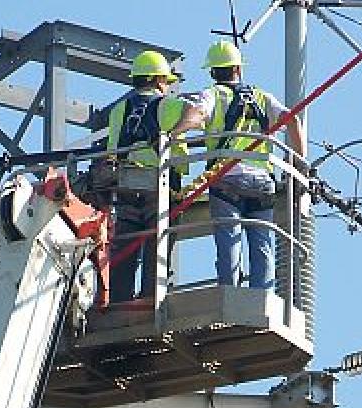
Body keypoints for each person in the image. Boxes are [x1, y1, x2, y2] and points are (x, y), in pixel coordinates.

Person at [169, 41, 307, 290]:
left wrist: (174, 133)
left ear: (213, 73)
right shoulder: (262, 97)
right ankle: (261, 297)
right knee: (262, 242)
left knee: (229, 241)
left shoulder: (213, 95)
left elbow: (197, 114)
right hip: (262, 181)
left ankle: (229, 294)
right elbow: (293, 120)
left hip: (227, 179)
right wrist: (297, 162)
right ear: (238, 70)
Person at [102, 50, 190, 303]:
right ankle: (152, 300)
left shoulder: (120, 110)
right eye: (165, 80)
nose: (166, 85)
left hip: (127, 187)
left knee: (125, 244)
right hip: (160, 188)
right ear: (157, 80)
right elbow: (193, 122)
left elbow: (112, 152)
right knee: (157, 245)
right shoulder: (169, 105)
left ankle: (118, 300)